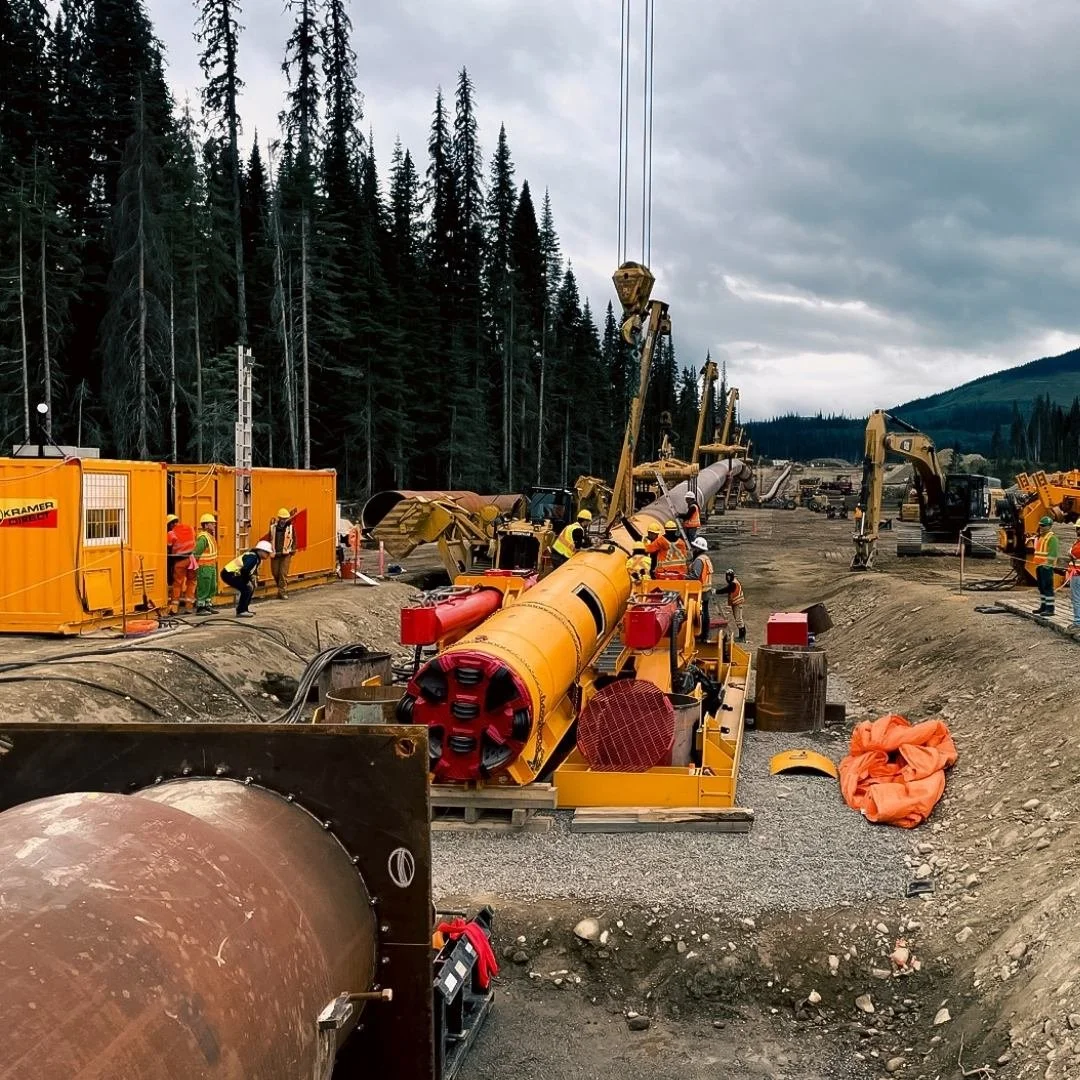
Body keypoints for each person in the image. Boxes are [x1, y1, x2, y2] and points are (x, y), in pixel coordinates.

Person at [221, 540, 274, 618]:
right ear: (260, 551)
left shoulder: (255, 557)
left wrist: (251, 579)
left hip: (233, 574)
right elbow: (244, 570)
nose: (268, 555)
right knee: (246, 588)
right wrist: (247, 581)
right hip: (229, 574)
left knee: (249, 588)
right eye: (267, 553)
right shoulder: (252, 557)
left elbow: (249, 571)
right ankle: (241, 611)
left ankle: (244, 609)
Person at [166, 513, 196, 615]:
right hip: (192, 559)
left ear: (170, 524)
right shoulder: (190, 528)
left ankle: (174, 608)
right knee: (191, 582)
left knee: (177, 583)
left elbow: (169, 545)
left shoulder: (171, 533)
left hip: (180, 561)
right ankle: (189, 607)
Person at [269, 507, 298, 599]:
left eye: (285, 519)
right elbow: (270, 539)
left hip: (286, 553)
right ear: (279, 518)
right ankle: (280, 589)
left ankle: (282, 591)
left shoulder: (291, 528)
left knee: (282, 573)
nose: (283, 520)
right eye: (282, 518)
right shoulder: (273, 527)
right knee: (275, 573)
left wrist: (293, 549)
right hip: (275, 553)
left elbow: (294, 539)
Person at [193, 513, 219, 615]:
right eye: (212, 523)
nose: (214, 525)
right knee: (204, 586)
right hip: (204, 567)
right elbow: (196, 553)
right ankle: (200, 607)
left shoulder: (210, 536)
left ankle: (208, 605)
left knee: (211, 586)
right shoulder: (203, 538)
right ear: (206, 525)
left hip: (211, 566)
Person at [688, 536, 713, 642]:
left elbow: (695, 576)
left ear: (698, 549)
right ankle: (705, 634)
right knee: (706, 613)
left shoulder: (699, 560)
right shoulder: (706, 558)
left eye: (694, 547)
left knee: (700, 613)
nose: (693, 549)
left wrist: (683, 577)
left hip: (700, 590)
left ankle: (701, 634)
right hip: (706, 590)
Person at [1033, 515, 1059, 616]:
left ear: (1049, 526)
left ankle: (1050, 608)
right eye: (1040, 525)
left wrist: (1047, 565)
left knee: (1048, 587)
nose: (1041, 527)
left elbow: (1053, 554)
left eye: (1043, 526)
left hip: (1046, 568)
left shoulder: (1052, 538)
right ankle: (1043, 606)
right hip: (1039, 566)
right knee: (1041, 587)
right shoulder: (1041, 537)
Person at [716, 568, 746, 641]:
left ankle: (742, 637)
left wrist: (716, 591)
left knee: (739, 620)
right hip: (736, 603)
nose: (728, 578)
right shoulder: (734, 582)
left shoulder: (733, 584)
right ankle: (741, 637)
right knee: (738, 619)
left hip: (737, 603)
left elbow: (725, 590)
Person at [1069, 522, 1080, 631]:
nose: (1077, 531)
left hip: (1077, 575)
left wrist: (1071, 554)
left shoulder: (1078, 544)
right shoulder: (1077, 542)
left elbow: (1074, 553)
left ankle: (1077, 622)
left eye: (1078, 528)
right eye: (1077, 528)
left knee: (1076, 599)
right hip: (1076, 573)